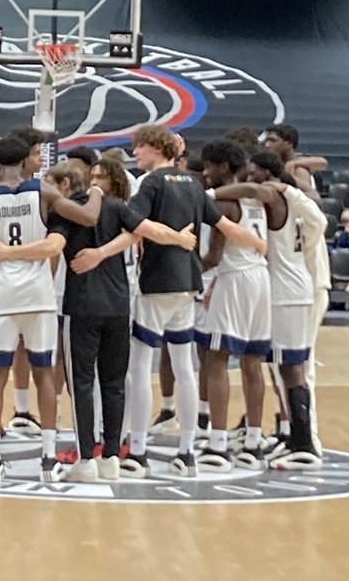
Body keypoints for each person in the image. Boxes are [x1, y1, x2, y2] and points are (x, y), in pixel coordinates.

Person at [115, 126, 268, 479]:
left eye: (138, 148)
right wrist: (258, 244)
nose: (135, 154)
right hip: (188, 283)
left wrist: (102, 252)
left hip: (157, 282)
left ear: (155, 148)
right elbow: (227, 226)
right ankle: (186, 451)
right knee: (184, 365)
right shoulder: (194, 185)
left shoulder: (152, 183)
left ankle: (137, 450)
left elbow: (131, 222)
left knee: (139, 365)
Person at [0, 134, 102, 484]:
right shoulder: (43, 192)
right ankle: (49, 459)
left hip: (3, 294)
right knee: (44, 374)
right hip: (38, 294)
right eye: (36, 156)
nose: (40, 161)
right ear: (23, 162)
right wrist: (96, 191)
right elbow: (87, 217)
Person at [49, 158, 196, 480]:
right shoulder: (118, 208)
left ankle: (88, 458)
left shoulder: (69, 210)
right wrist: (179, 238)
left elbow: (55, 245)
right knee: (113, 383)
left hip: (83, 306)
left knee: (84, 385)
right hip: (117, 305)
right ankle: (111, 458)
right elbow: (148, 230)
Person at [213, 151, 326, 470]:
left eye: (253, 172)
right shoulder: (296, 203)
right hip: (294, 287)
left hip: (286, 292)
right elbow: (318, 223)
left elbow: (253, 191)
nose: (249, 178)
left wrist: (207, 194)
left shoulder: (277, 198)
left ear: (267, 174)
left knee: (291, 370)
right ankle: (293, 436)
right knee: (285, 368)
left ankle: (305, 444)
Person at [197, 139, 272, 473]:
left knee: (216, 359)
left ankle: (216, 444)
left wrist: (181, 266)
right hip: (260, 278)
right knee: (252, 361)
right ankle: (253, 442)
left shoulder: (225, 203)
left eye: (210, 166)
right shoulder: (257, 199)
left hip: (236, 280)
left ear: (224, 167)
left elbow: (213, 257)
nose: (206, 173)